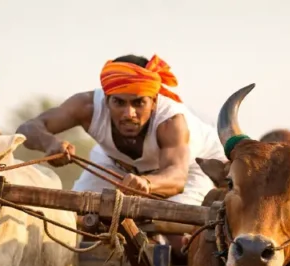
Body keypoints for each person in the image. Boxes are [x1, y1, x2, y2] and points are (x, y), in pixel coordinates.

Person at [16, 54, 226, 206]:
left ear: (153, 102)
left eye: (138, 103)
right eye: (119, 103)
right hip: (117, 165)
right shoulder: (86, 106)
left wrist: (146, 183)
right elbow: (28, 128)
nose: (129, 113)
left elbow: (176, 177)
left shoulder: (171, 121)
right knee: (75, 214)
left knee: (175, 234)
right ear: (106, 99)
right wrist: (50, 144)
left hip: (192, 169)